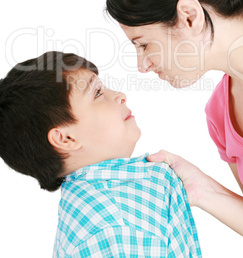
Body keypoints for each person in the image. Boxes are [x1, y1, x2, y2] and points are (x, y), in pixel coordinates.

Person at [106, 0, 243, 246]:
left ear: (189, 17)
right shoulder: (220, 115)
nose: (143, 65)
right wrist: (201, 188)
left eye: (143, 45)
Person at [0, 51, 201, 257]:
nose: (120, 95)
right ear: (66, 139)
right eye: (97, 93)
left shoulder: (110, 196)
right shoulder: (113, 229)